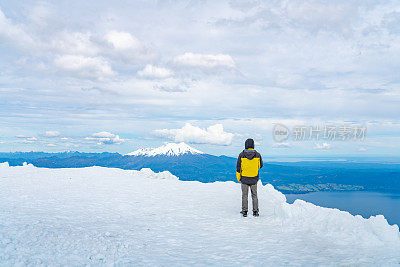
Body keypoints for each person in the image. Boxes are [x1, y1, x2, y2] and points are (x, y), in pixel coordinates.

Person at [236, 138, 263, 217]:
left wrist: (239, 177)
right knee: (254, 195)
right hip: (254, 178)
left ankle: (244, 211)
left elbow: (238, 167)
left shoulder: (241, 154)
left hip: (244, 178)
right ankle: (255, 212)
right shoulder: (257, 154)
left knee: (245, 195)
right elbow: (260, 166)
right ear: (253, 145)